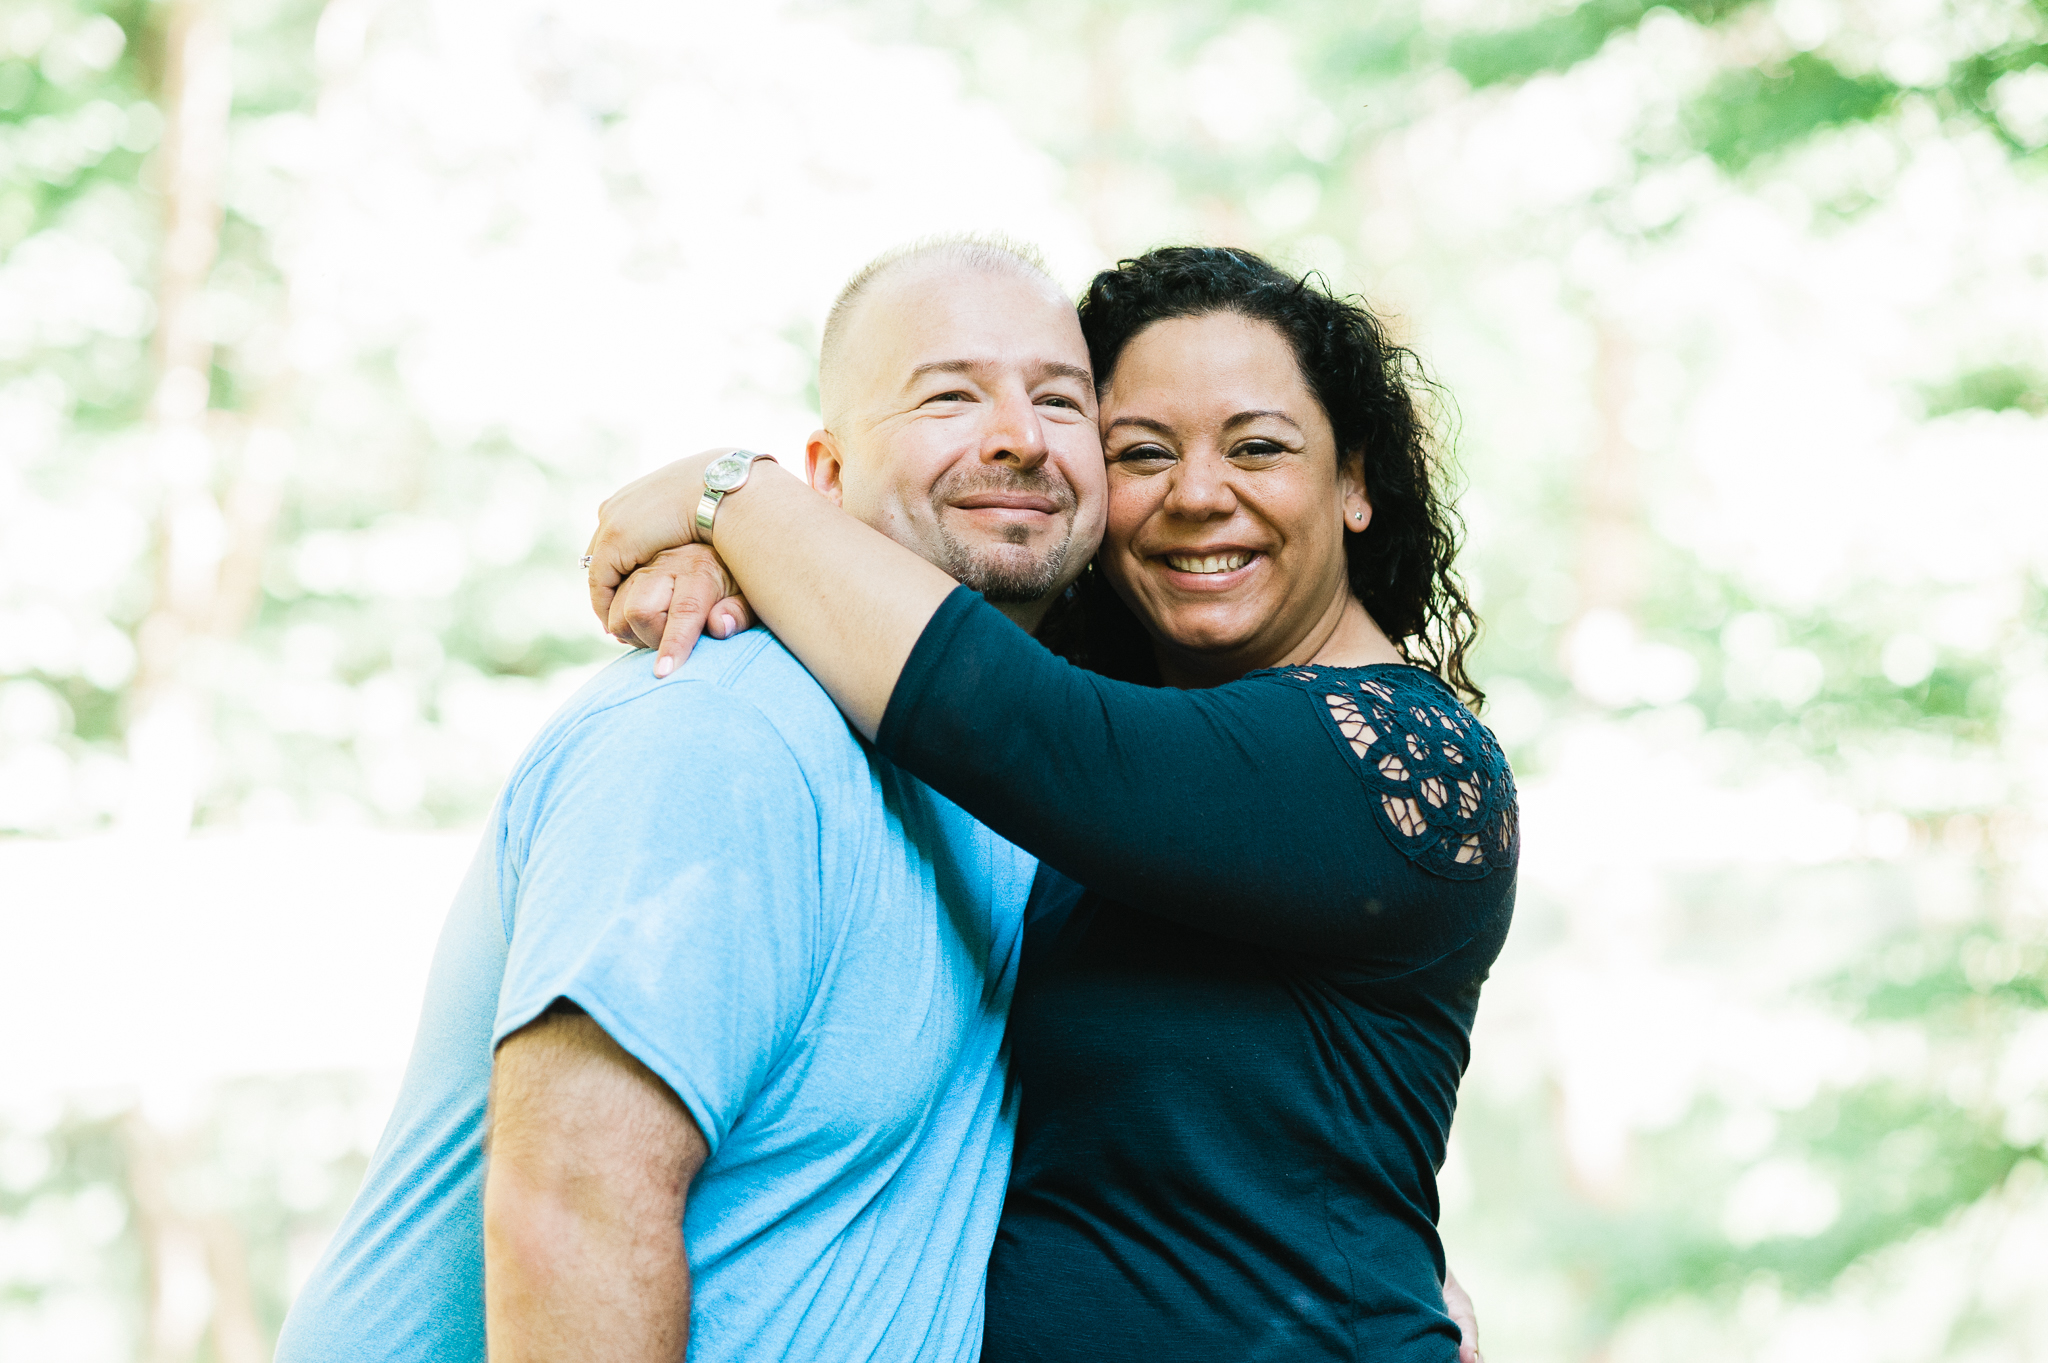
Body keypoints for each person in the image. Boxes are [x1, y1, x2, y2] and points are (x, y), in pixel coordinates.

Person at [588, 245, 1517, 1363]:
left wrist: (728, 495)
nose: (1196, 493)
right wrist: (730, 579)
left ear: (1355, 481)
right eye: (1139, 452)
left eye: (1258, 447)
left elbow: (1019, 723)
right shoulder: (1117, 776)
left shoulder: (1403, 759)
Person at [275, 237, 1108, 1362]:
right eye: (948, 395)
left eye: (1060, 400)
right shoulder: (720, 730)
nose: (1017, 435)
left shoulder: (1042, 759)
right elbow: (568, 1215)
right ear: (820, 476)